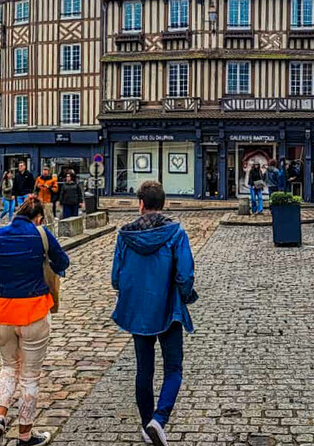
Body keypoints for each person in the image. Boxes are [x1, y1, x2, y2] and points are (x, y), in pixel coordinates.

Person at [111, 181, 196, 446]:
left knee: (143, 371)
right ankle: (158, 420)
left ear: (141, 204)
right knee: (173, 368)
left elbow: (116, 278)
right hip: (169, 308)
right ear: (162, 204)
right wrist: (185, 294)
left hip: (139, 312)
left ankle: (147, 422)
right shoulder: (175, 233)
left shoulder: (125, 236)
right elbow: (185, 274)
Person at [0, 198, 70, 446]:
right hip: (33, 310)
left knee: (8, 366)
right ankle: (25, 435)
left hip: (1, 311)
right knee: (30, 376)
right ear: (39, 218)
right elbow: (63, 263)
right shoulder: (41, 234)